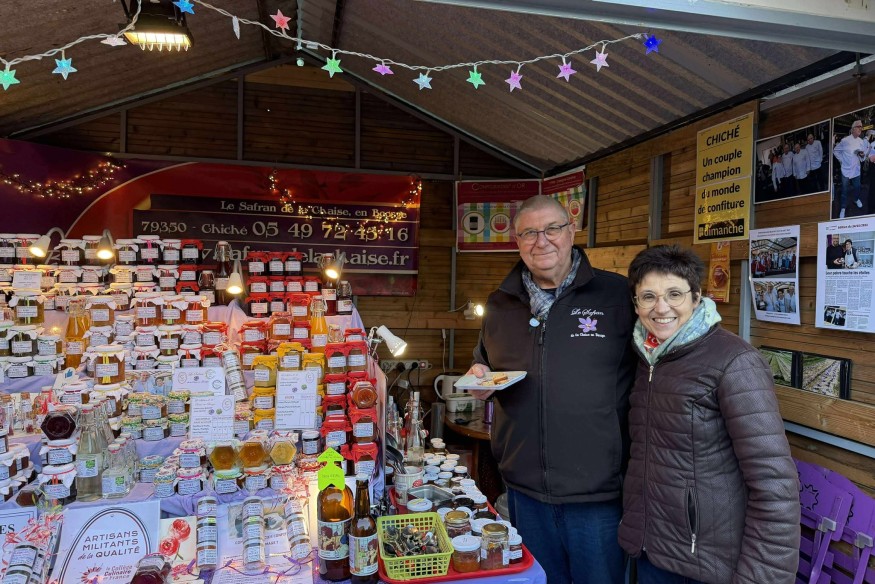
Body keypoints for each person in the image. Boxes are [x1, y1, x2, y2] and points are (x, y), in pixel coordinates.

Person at [467, 194, 637, 584]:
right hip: (525, 490)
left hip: (596, 493)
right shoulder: (500, 304)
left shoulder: (616, 296)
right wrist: (480, 379)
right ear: (517, 242)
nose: (541, 241)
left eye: (552, 229)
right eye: (529, 232)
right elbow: (486, 366)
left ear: (571, 232)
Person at [618, 245, 800, 584]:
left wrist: (761, 578)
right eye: (648, 297)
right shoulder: (647, 356)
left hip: (706, 564)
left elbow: (774, 483)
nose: (662, 308)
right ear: (636, 303)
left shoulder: (734, 362)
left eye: (675, 294)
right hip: (651, 552)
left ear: (697, 296)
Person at [833, 120, 871, 218]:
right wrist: (841, 161)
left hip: (856, 171)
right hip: (845, 170)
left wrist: (862, 155)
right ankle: (843, 208)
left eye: (861, 127)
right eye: (859, 127)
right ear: (853, 128)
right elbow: (835, 151)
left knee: (857, 188)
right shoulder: (845, 141)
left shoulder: (861, 142)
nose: (861, 129)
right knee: (844, 190)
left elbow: (862, 159)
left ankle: (856, 199)